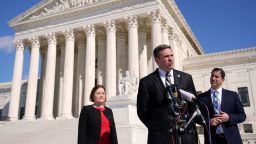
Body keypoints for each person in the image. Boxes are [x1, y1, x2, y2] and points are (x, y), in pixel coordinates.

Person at [137, 44, 198, 144]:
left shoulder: (186, 78)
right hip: (160, 137)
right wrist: (157, 127)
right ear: (157, 60)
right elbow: (142, 111)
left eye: (171, 55)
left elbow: (193, 105)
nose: (170, 59)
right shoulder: (146, 82)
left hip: (185, 136)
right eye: (166, 56)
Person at [198, 68, 246, 144]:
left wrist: (229, 118)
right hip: (212, 139)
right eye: (212, 76)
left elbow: (242, 116)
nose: (213, 78)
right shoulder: (201, 97)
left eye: (216, 76)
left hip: (231, 139)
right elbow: (197, 117)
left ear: (223, 80)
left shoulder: (233, 95)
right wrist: (208, 121)